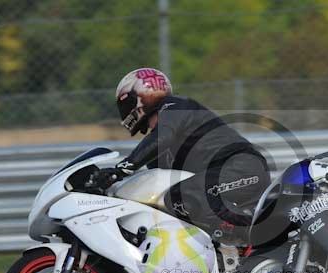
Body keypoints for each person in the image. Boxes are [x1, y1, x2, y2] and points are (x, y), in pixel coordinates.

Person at [90, 67, 270, 244]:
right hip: (224, 175)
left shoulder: (175, 107)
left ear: (142, 96)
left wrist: (119, 171)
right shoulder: (161, 147)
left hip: (243, 169)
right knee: (173, 200)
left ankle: (254, 230)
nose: (125, 110)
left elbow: (162, 137)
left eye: (126, 102)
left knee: (182, 196)